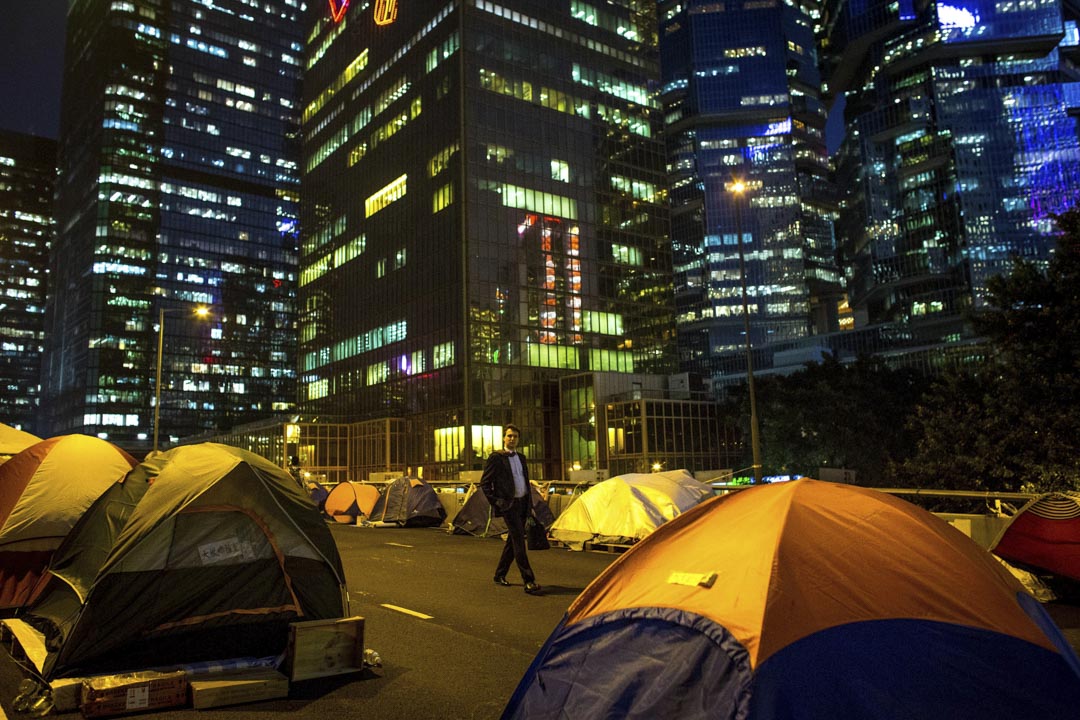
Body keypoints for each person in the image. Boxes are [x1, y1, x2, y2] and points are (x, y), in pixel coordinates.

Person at [480, 424, 541, 595]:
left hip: (523, 503)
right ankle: (528, 580)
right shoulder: (496, 458)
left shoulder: (521, 458)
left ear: (518, 439)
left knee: (512, 541)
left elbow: (525, 481)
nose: (512, 439)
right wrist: (497, 502)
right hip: (509, 505)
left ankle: (499, 574)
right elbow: (484, 483)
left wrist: (529, 506)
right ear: (504, 438)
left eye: (515, 436)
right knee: (519, 541)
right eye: (509, 436)